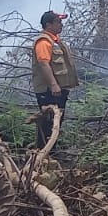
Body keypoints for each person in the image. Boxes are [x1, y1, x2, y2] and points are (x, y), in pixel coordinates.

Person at [31, 10, 80, 149]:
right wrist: (53, 85)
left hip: (57, 90)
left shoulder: (54, 41)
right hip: (49, 91)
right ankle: (43, 154)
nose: (61, 25)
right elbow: (43, 64)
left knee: (56, 122)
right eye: (58, 22)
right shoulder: (43, 42)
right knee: (48, 123)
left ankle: (51, 152)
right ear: (48, 24)